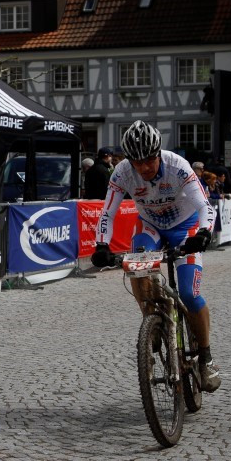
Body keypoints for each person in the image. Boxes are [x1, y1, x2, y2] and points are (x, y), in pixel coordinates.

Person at [90, 120, 220, 392]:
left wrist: (205, 232)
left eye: (150, 159)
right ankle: (153, 320)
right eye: (138, 162)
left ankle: (206, 357)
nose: (146, 167)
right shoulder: (122, 173)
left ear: (159, 152)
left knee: (189, 293)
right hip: (150, 227)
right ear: (129, 160)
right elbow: (107, 212)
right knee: (136, 269)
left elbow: (204, 206)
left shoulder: (178, 166)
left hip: (186, 228)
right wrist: (101, 245)